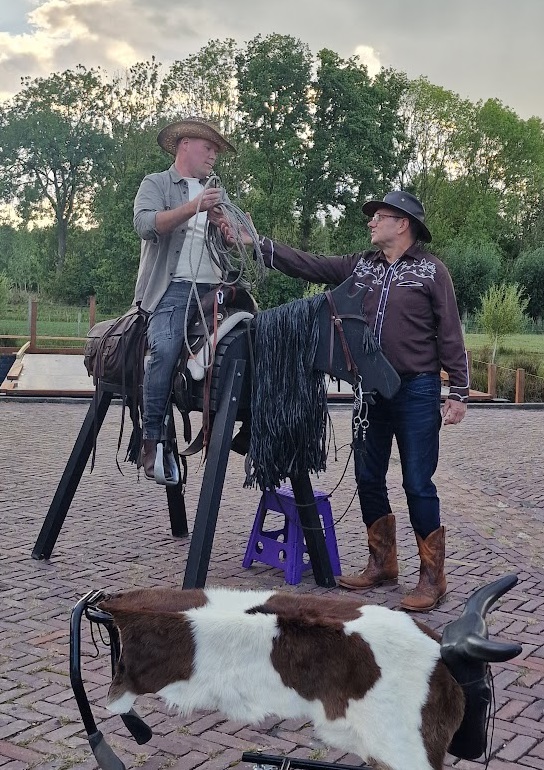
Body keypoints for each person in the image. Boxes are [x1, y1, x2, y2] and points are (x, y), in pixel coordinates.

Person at [223, 191, 469, 611]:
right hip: (370, 389)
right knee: (368, 477)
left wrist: (459, 391)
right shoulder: (362, 266)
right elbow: (310, 264)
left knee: (417, 482)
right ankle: (383, 564)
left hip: (417, 389)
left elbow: (450, 331)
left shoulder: (432, 271)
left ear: (403, 224)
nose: (371, 222)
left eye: (379, 216)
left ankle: (433, 578)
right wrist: (254, 243)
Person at [133, 116, 236, 479]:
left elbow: (233, 241)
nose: (213, 155)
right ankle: (151, 440)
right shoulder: (156, 183)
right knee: (164, 350)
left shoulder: (217, 192)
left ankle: (250, 429)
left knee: (256, 338)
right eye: (208, 147)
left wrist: (229, 231)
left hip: (219, 289)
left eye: (216, 150)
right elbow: (145, 225)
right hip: (174, 287)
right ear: (185, 145)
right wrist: (194, 207)